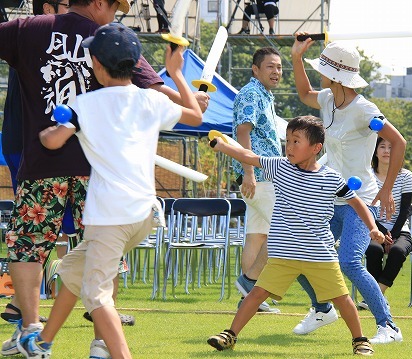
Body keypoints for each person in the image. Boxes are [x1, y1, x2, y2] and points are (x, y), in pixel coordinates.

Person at [0, 0, 206, 357]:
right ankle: (77, 340)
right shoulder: (112, 39)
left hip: (43, 167)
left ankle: (32, 329)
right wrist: (184, 88)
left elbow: (52, 136)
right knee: (90, 260)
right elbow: (160, 96)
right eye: (115, 7)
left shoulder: (28, 30)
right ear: (98, 3)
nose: (116, 16)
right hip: (105, 182)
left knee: (29, 245)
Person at [207, 115, 383, 356]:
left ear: (316, 148)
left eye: (296, 141)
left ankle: (360, 340)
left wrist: (372, 227)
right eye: (287, 140)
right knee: (256, 293)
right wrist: (223, 146)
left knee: (342, 299)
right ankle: (230, 335)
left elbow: (357, 203)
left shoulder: (331, 178)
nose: (289, 147)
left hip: (320, 254)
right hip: (284, 254)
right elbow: (250, 157)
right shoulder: (279, 167)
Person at [291, 36, 407, 344]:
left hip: (359, 199)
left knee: (349, 262)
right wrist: (296, 58)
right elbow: (304, 94)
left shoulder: (364, 110)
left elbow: (399, 142)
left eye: (323, 68)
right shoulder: (329, 99)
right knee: (297, 250)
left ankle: (389, 327)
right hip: (331, 197)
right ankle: (321, 308)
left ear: (336, 75)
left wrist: (387, 189)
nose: (320, 74)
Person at [0, 0, 83, 327]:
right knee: (41, 228)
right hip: (31, 147)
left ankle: (22, 305)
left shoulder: (70, 39)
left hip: (59, 149)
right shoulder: (35, 36)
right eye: (67, 4)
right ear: (49, 6)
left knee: (61, 230)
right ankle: (26, 308)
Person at [232, 47, 282, 313]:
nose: (276, 72)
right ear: (256, 69)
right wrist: (249, 173)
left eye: (279, 67)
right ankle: (250, 284)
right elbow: (243, 132)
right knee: (284, 232)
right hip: (260, 175)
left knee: (257, 235)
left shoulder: (264, 94)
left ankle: (250, 298)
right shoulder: (251, 93)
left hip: (261, 175)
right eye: (270, 67)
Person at [360, 137, 412, 309]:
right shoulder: (367, 175)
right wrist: (382, 232)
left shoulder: (406, 176)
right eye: (382, 146)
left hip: (400, 230)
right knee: (374, 249)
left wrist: (392, 235)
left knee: (398, 250)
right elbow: (366, 208)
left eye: (391, 147)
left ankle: (375, 297)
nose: (386, 151)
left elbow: (405, 210)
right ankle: (376, 300)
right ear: (375, 151)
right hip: (373, 229)